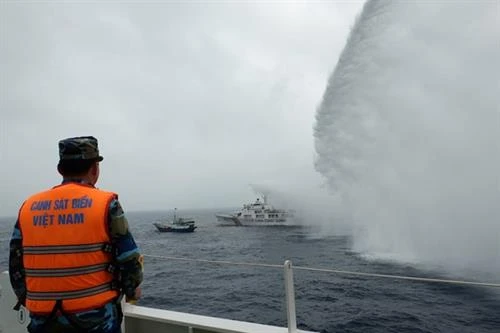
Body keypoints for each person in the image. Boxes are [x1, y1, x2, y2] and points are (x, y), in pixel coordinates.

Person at [9, 136, 143, 333]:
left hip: (43, 321)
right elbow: (129, 259)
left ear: (60, 169)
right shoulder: (106, 203)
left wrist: (31, 301)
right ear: (94, 169)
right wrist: (132, 289)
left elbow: (15, 265)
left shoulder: (29, 206)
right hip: (96, 320)